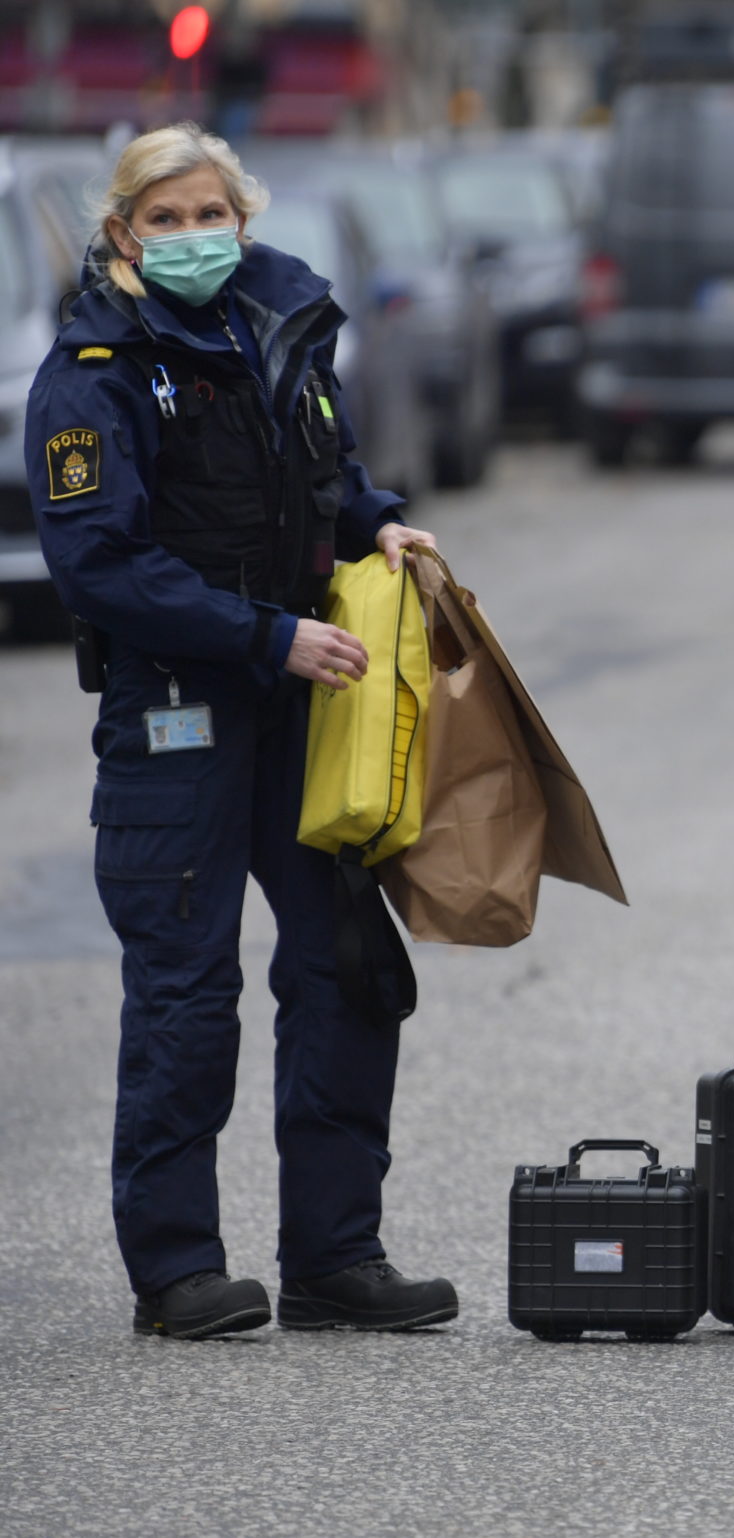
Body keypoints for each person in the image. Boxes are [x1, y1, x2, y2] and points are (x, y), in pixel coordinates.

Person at [26, 123, 454, 1340]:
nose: (188, 236)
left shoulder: (278, 327)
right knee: (184, 990)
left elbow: (325, 470)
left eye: (206, 212)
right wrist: (267, 636)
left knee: (345, 972)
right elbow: (98, 562)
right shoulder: (92, 371)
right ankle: (177, 1270)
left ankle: (335, 1257)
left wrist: (379, 524)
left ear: (243, 221)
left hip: (304, 702)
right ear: (121, 235)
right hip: (180, 711)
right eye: (162, 220)